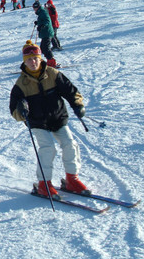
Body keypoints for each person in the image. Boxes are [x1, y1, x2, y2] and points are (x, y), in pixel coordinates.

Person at [9, 40, 89, 198]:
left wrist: (78, 105)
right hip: (38, 122)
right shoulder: (21, 84)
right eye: (29, 60)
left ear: (40, 58)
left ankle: (72, 179)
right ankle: (44, 184)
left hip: (58, 118)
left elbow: (70, 91)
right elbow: (13, 110)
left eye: (35, 58)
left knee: (70, 144)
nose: (33, 62)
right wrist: (22, 110)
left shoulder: (53, 74)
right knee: (48, 149)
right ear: (25, 61)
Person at [32, 1, 57, 68]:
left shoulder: (43, 12)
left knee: (45, 48)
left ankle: (52, 61)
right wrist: (38, 22)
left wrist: (42, 25)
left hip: (47, 32)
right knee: (43, 48)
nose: (34, 9)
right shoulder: (41, 12)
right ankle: (49, 60)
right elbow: (43, 20)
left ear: (37, 7)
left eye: (34, 8)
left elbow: (47, 21)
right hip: (45, 33)